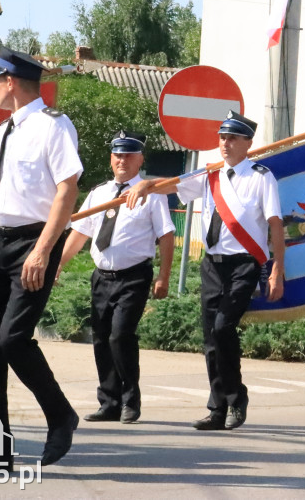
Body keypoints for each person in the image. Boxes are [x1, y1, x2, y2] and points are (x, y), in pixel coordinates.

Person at [0, 48, 83, 469]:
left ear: (11, 82)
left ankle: (60, 414)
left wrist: (43, 250)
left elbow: (67, 191)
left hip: (33, 242)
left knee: (12, 339)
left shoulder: (54, 127)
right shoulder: (4, 130)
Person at [128, 110, 284, 431]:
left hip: (244, 263)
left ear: (247, 143)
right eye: (222, 138)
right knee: (211, 337)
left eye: (232, 138)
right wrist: (146, 185)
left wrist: (277, 267)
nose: (225, 144)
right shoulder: (208, 175)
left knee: (225, 327)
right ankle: (217, 407)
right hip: (212, 264)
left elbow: (275, 223)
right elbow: (171, 187)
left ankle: (236, 396)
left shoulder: (260, 176)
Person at [58, 130, 175, 424]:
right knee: (101, 339)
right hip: (102, 276)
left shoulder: (151, 194)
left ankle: (130, 399)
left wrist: (164, 276)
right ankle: (108, 401)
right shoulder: (99, 194)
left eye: (128, 155)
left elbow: (167, 235)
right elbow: (81, 233)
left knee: (120, 335)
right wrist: (57, 264)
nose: (122, 160)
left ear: (140, 159)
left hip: (134, 276)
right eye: (117, 155)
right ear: (111, 159)